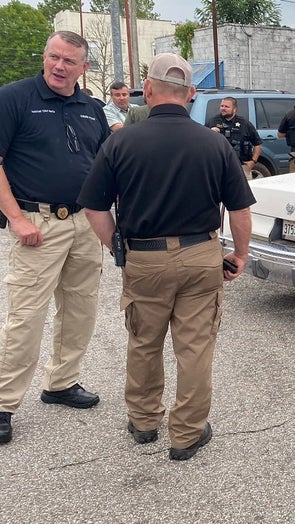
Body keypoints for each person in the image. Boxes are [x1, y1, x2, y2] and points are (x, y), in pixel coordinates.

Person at [78, 53, 255, 461]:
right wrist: (240, 254)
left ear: (150, 89)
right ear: (191, 95)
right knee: (194, 348)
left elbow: (94, 207)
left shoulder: (120, 141)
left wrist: (116, 247)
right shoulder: (214, 143)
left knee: (143, 341)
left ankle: (143, 422)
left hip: (145, 258)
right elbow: (240, 210)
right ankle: (187, 434)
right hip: (201, 256)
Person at [0, 30, 110, 445]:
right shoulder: (13, 98)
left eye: (69, 61)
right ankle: (3, 403)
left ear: (84, 68)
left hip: (84, 222)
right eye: (54, 58)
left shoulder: (91, 108)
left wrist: (107, 224)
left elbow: (103, 164)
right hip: (37, 225)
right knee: (26, 315)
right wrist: (16, 219)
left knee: (80, 310)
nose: (59, 67)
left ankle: (62, 383)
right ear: (44, 56)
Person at [206, 97, 263, 179]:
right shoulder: (212, 122)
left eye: (226, 107)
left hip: (241, 166)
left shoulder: (244, 123)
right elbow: (201, 141)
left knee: (242, 191)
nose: (223, 108)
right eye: (222, 106)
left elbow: (258, 144)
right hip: (218, 167)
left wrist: (253, 161)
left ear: (235, 109)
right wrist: (209, 133)